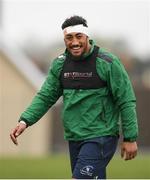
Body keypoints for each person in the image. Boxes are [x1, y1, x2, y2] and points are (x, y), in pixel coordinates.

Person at [10, 15, 138, 179]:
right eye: (69, 37)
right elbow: (45, 96)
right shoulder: (60, 64)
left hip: (101, 136)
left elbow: (126, 100)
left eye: (79, 36)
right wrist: (25, 121)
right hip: (75, 137)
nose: (74, 42)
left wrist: (130, 137)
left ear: (87, 37)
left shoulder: (108, 62)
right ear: (64, 39)